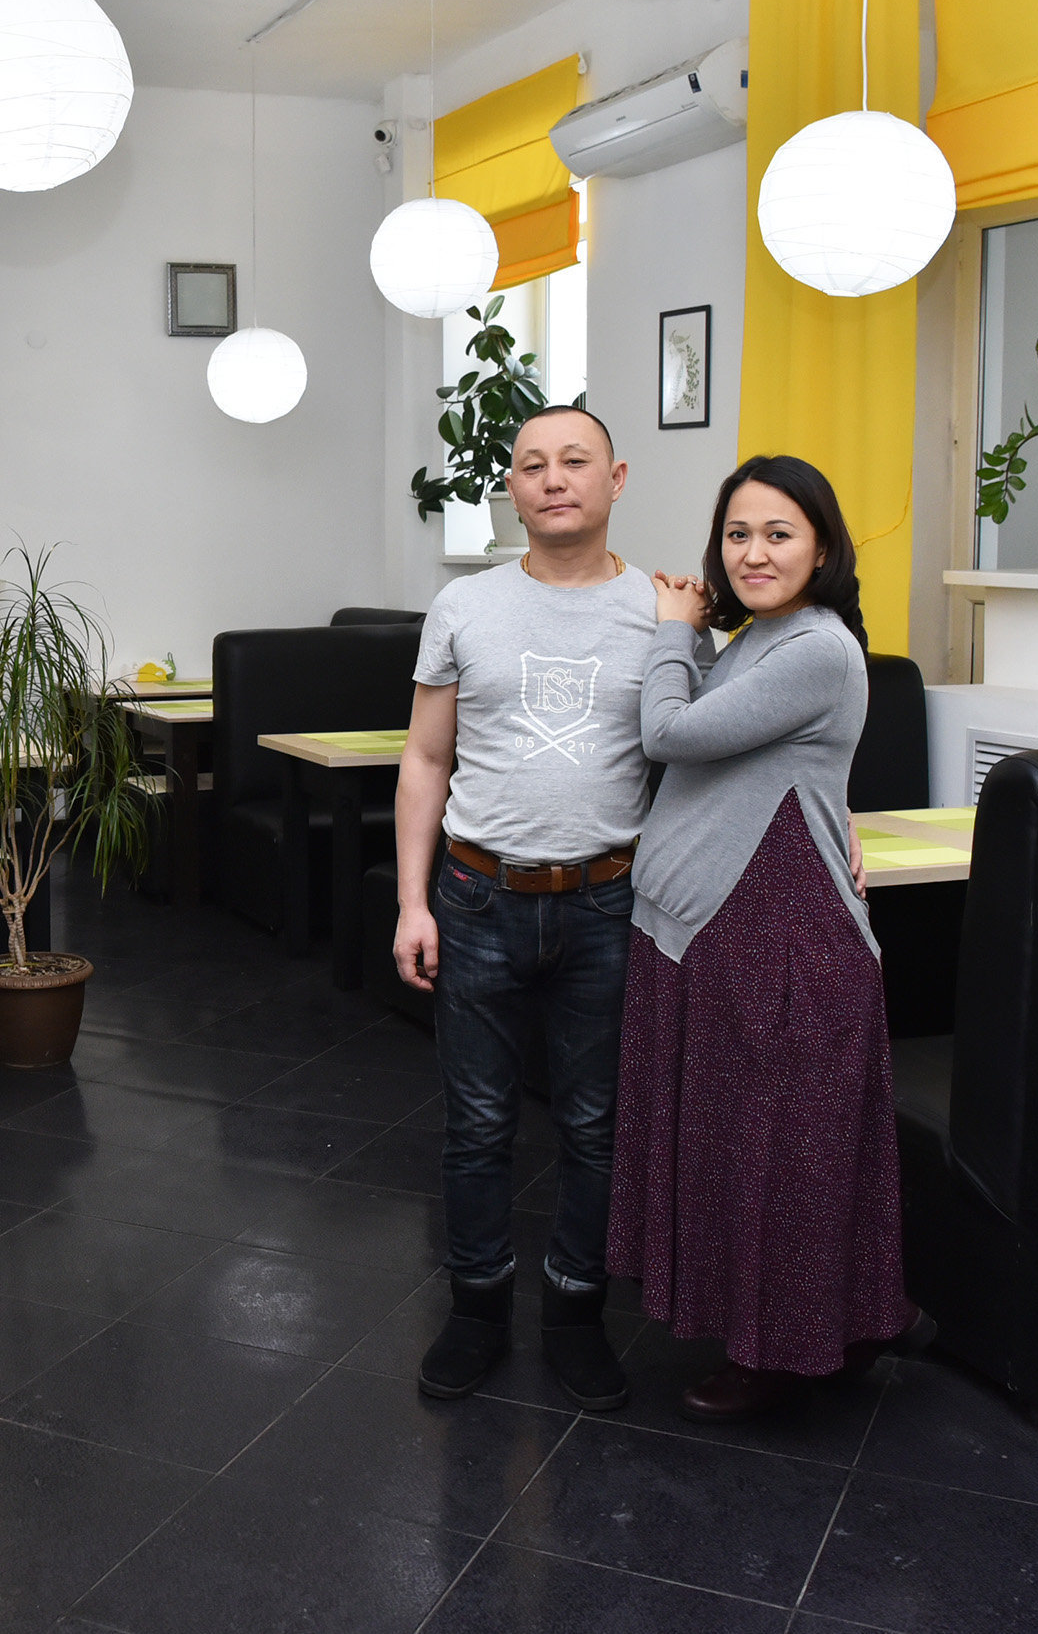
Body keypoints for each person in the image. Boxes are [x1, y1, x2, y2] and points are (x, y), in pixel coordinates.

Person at [609, 453, 929, 1422]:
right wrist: (705, 634)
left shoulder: (817, 648)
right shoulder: (765, 637)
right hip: (725, 929)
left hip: (776, 936)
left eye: (778, 533)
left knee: (774, 1159)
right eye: (738, 533)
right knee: (742, 1151)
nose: (753, 552)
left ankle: (778, 1353)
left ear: (822, 549)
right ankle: (836, 1326)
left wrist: (674, 630)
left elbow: (670, 733)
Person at [392, 403, 660, 1411]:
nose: (554, 479)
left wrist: (828, 810)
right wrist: (411, 903)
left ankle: (576, 1316)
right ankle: (476, 1310)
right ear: (511, 486)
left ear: (615, 479)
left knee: (594, 1126)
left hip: (607, 902)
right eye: (533, 464)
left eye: (575, 461)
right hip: (475, 897)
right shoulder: (465, 606)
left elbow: (723, 743)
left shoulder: (665, 609)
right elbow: (425, 759)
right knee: (476, 1125)